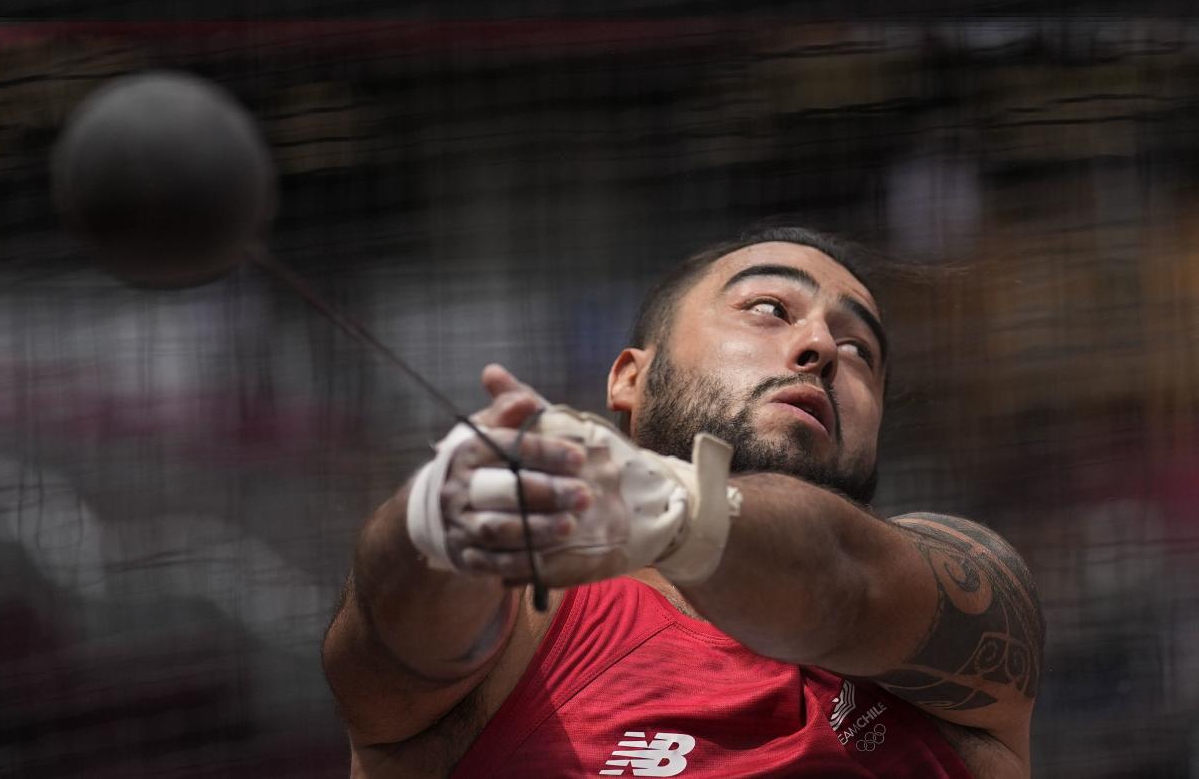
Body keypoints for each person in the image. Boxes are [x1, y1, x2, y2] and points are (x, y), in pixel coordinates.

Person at [322, 224, 1045, 778]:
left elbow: (842, 577)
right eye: (770, 308)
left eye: (862, 351)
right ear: (632, 378)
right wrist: (442, 523)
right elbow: (392, 640)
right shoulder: (529, 622)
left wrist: (672, 505)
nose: (822, 344)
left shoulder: (942, 603)